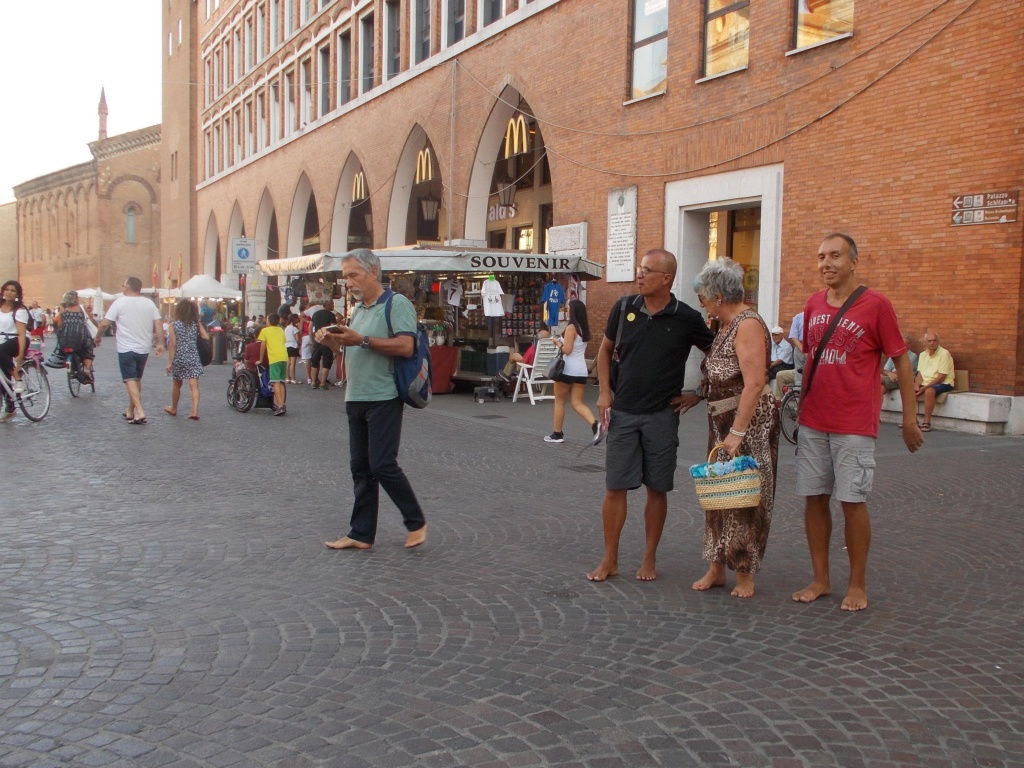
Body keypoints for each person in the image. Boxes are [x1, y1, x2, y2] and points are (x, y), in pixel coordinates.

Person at [793, 233, 923, 612]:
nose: (826, 264)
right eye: (820, 257)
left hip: (854, 422)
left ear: (853, 262)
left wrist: (909, 420)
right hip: (815, 418)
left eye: (835, 256)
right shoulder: (814, 303)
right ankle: (820, 578)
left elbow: (899, 360)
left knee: (852, 500)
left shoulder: (876, 304)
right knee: (814, 498)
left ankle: (857, 584)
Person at [587, 249, 715, 582]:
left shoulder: (685, 317)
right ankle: (609, 559)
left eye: (646, 270)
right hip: (624, 412)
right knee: (615, 487)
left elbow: (717, 354)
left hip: (662, 415)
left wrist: (699, 392)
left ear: (666, 278)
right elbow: (603, 349)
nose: (639, 275)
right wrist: (603, 392)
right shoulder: (625, 307)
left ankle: (648, 558)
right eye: (638, 269)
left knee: (657, 488)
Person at [316, 248, 427, 551]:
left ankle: (416, 522)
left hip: (384, 396)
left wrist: (360, 339)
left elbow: (405, 346)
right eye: (345, 277)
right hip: (356, 396)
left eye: (354, 275)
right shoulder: (358, 310)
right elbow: (350, 352)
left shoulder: (397, 304)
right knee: (360, 468)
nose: (348, 282)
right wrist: (333, 343)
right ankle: (361, 533)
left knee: (382, 464)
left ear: (374, 272)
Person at [689, 259, 780, 598]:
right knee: (718, 492)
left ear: (717, 295)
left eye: (702, 294)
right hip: (721, 421)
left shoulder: (748, 324)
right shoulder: (725, 326)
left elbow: (755, 383)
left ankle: (744, 572)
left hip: (748, 425)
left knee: (745, 496)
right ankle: (716, 567)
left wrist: (737, 433)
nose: (700, 300)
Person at [94, 277, 164, 425]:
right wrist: (160, 343)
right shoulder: (149, 303)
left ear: (127, 287)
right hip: (143, 347)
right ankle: (131, 411)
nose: (122, 287)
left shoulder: (120, 302)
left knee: (130, 379)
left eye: (123, 285)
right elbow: (158, 323)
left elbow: (105, 323)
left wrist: (98, 336)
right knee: (136, 378)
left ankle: (140, 410)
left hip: (126, 347)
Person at [544, 300, 600, 444]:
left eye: (568, 308)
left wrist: (557, 342)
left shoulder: (571, 328)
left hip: (567, 370)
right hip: (581, 371)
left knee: (560, 401)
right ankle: (595, 425)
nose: (567, 310)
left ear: (573, 311)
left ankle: (557, 434)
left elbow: (567, 350)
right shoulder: (584, 329)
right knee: (577, 402)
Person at [164, 299, 209, 420]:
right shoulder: (195, 324)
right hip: (193, 356)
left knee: (176, 384)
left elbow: (172, 344)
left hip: (179, 357)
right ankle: (194, 411)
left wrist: (170, 362)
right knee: (194, 385)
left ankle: (173, 408)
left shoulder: (173, 326)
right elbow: (206, 336)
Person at [0, 280, 29, 422]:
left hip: (16, 341)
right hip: (2, 343)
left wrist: (20, 355)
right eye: (7, 289)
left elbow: (22, 334)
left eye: (12, 290)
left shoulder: (20, 310)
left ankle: (17, 378)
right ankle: (10, 407)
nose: (9, 293)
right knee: (3, 375)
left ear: (17, 294)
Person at [914, 331, 954, 432]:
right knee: (909, 390)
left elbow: (941, 377)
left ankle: (927, 422)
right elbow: (920, 374)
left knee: (929, 391)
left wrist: (924, 388)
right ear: (925, 342)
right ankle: (912, 421)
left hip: (944, 383)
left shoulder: (944, 353)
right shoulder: (923, 355)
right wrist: (917, 385)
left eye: (934, 340)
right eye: (929, 341)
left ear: (938, 341)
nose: (932, 343)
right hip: (926, 382)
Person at [53, 291, 96, 380]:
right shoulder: (81, 308)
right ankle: (87, 370)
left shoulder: (62, 309)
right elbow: (89, 320)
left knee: (65, 349)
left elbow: (60, 325)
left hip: (66, 338)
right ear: (76, 299)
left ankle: (69, 364)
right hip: (80, 336)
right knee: (88, 351)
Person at [257, 313, 288, 416]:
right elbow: (284, 341)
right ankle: (282, 404)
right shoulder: (281, 330)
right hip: (284, 356)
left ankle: (279, 406)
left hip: (274, 358)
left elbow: (262, 346)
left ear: (268, 321)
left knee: (275, 382)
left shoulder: (265, 331)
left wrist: (260, 360)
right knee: (281, 381)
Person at [773, 312, 804, 398]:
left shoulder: (786, 345)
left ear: (781, 335)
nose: (774, 337)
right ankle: (779, 402)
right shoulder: (798, 317)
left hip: (784, 365)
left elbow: (780, 360)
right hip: (796, 366)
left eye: (776, 334)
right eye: (773, 335)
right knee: (779, 375)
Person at [308, 300, 336, 389]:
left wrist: (311, 340)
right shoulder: (331, 315)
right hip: (326, 341)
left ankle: (313, 382)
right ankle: (323, 383)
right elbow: (333, 329)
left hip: (317, 340)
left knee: (315, 361)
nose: (333, 306)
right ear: (329, 305)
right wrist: (334, 343)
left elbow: (310, 327)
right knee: (326, 362)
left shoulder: (315, 314)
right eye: (332, 304)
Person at [881, 334, 918, 398]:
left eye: (903, 344)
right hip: (892, 379)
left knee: (877, 379)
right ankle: (876, 408)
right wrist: (890, 374)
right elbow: (885, 370)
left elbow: (903, 370)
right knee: (880, 388)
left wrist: (891, 374)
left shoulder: (913, 356)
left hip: (903, 380)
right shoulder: (894, 354)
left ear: (909, 345)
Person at [284, 313, 301, 383]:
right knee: (293, 364)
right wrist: (300, 343)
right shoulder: (295, 329)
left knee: (288, 363)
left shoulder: (286, 328)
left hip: (287, 345)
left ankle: (287, 378)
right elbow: (297, 339)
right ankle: (293, 379)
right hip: (293, 346)